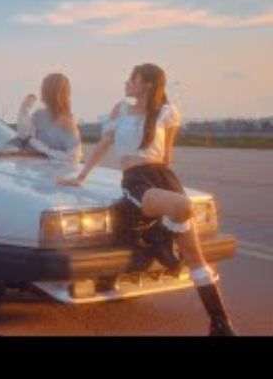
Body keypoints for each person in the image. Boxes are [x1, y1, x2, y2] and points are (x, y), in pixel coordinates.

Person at [58, 63, 236, 336]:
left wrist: (169, 185)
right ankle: (160, 235)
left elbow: (166, 157)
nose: (127, 83)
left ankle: (221, 324)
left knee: (195, 256)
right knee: (183, 206)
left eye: (133, 79)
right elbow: (104, 144)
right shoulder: (119, 110)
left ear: (147, 84)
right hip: (136, 180)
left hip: (163, 178)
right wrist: (80, 176)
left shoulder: (167, 112)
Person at [16, 73, 83, 163]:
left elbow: (73, 158)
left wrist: (45, 150)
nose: (41, 93)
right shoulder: (38, 115)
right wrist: (24, 110)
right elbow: (24, 136)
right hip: (37, 168)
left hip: (59, 170)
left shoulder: (69, 122)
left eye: (44, 90)